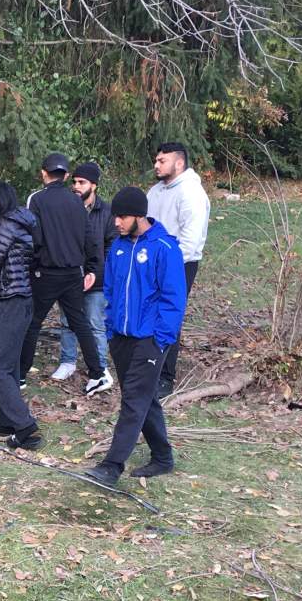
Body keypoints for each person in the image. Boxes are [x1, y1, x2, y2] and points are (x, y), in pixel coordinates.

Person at [84, 186, 187, 486]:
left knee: (133, 401)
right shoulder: (117, 247)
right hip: (122, 338)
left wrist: (161, 339)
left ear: (140, 216)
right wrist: (112, 330)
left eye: (123, 216)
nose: (116, 221)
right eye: (115, 215)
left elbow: (174, 300)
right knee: (143, 398)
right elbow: (113, 291)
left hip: (151, 339)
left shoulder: (164, 249)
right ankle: (163, 457)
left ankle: (111, 466)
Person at [19, 152, 111, 395]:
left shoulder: (36, 200)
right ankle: (97, 373)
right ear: (67, 175)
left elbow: (32, 237)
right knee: (80, 323)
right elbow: (90, 238)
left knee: (32, 323)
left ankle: (20, 374)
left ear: (43, 173)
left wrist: (31, 266)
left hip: (46, 273)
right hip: (73, 274)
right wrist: (91, 268)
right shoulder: (76, 201)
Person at [0, 182, 44, 451]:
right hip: (24, 297)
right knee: (10, 365)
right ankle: (8, 419)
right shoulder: (25, 222)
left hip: (10, 299)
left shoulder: (5, 224)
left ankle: (26, 427)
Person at [146, 141, 210, 398]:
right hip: (151, 261)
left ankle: (165, 376)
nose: (156, 165)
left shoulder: (191, 194)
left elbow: (190, 240)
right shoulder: (156, 191)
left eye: (162, 161)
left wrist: (165, 265)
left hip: (179, 266)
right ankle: (148, 365)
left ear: (179, 163)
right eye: (156, 160)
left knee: (168, 316)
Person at [51, 162, 115, 383]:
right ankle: (68, 361)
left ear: (94, 185)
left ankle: (100, 366)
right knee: (67, 321)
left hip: (97, 280)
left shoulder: (106, 212)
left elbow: (111, 248)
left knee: (95, 323)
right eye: (74, 182)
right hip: (70, 276)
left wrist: (96, 274)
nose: (76, 186)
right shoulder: (68, 207)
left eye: (82, 182)